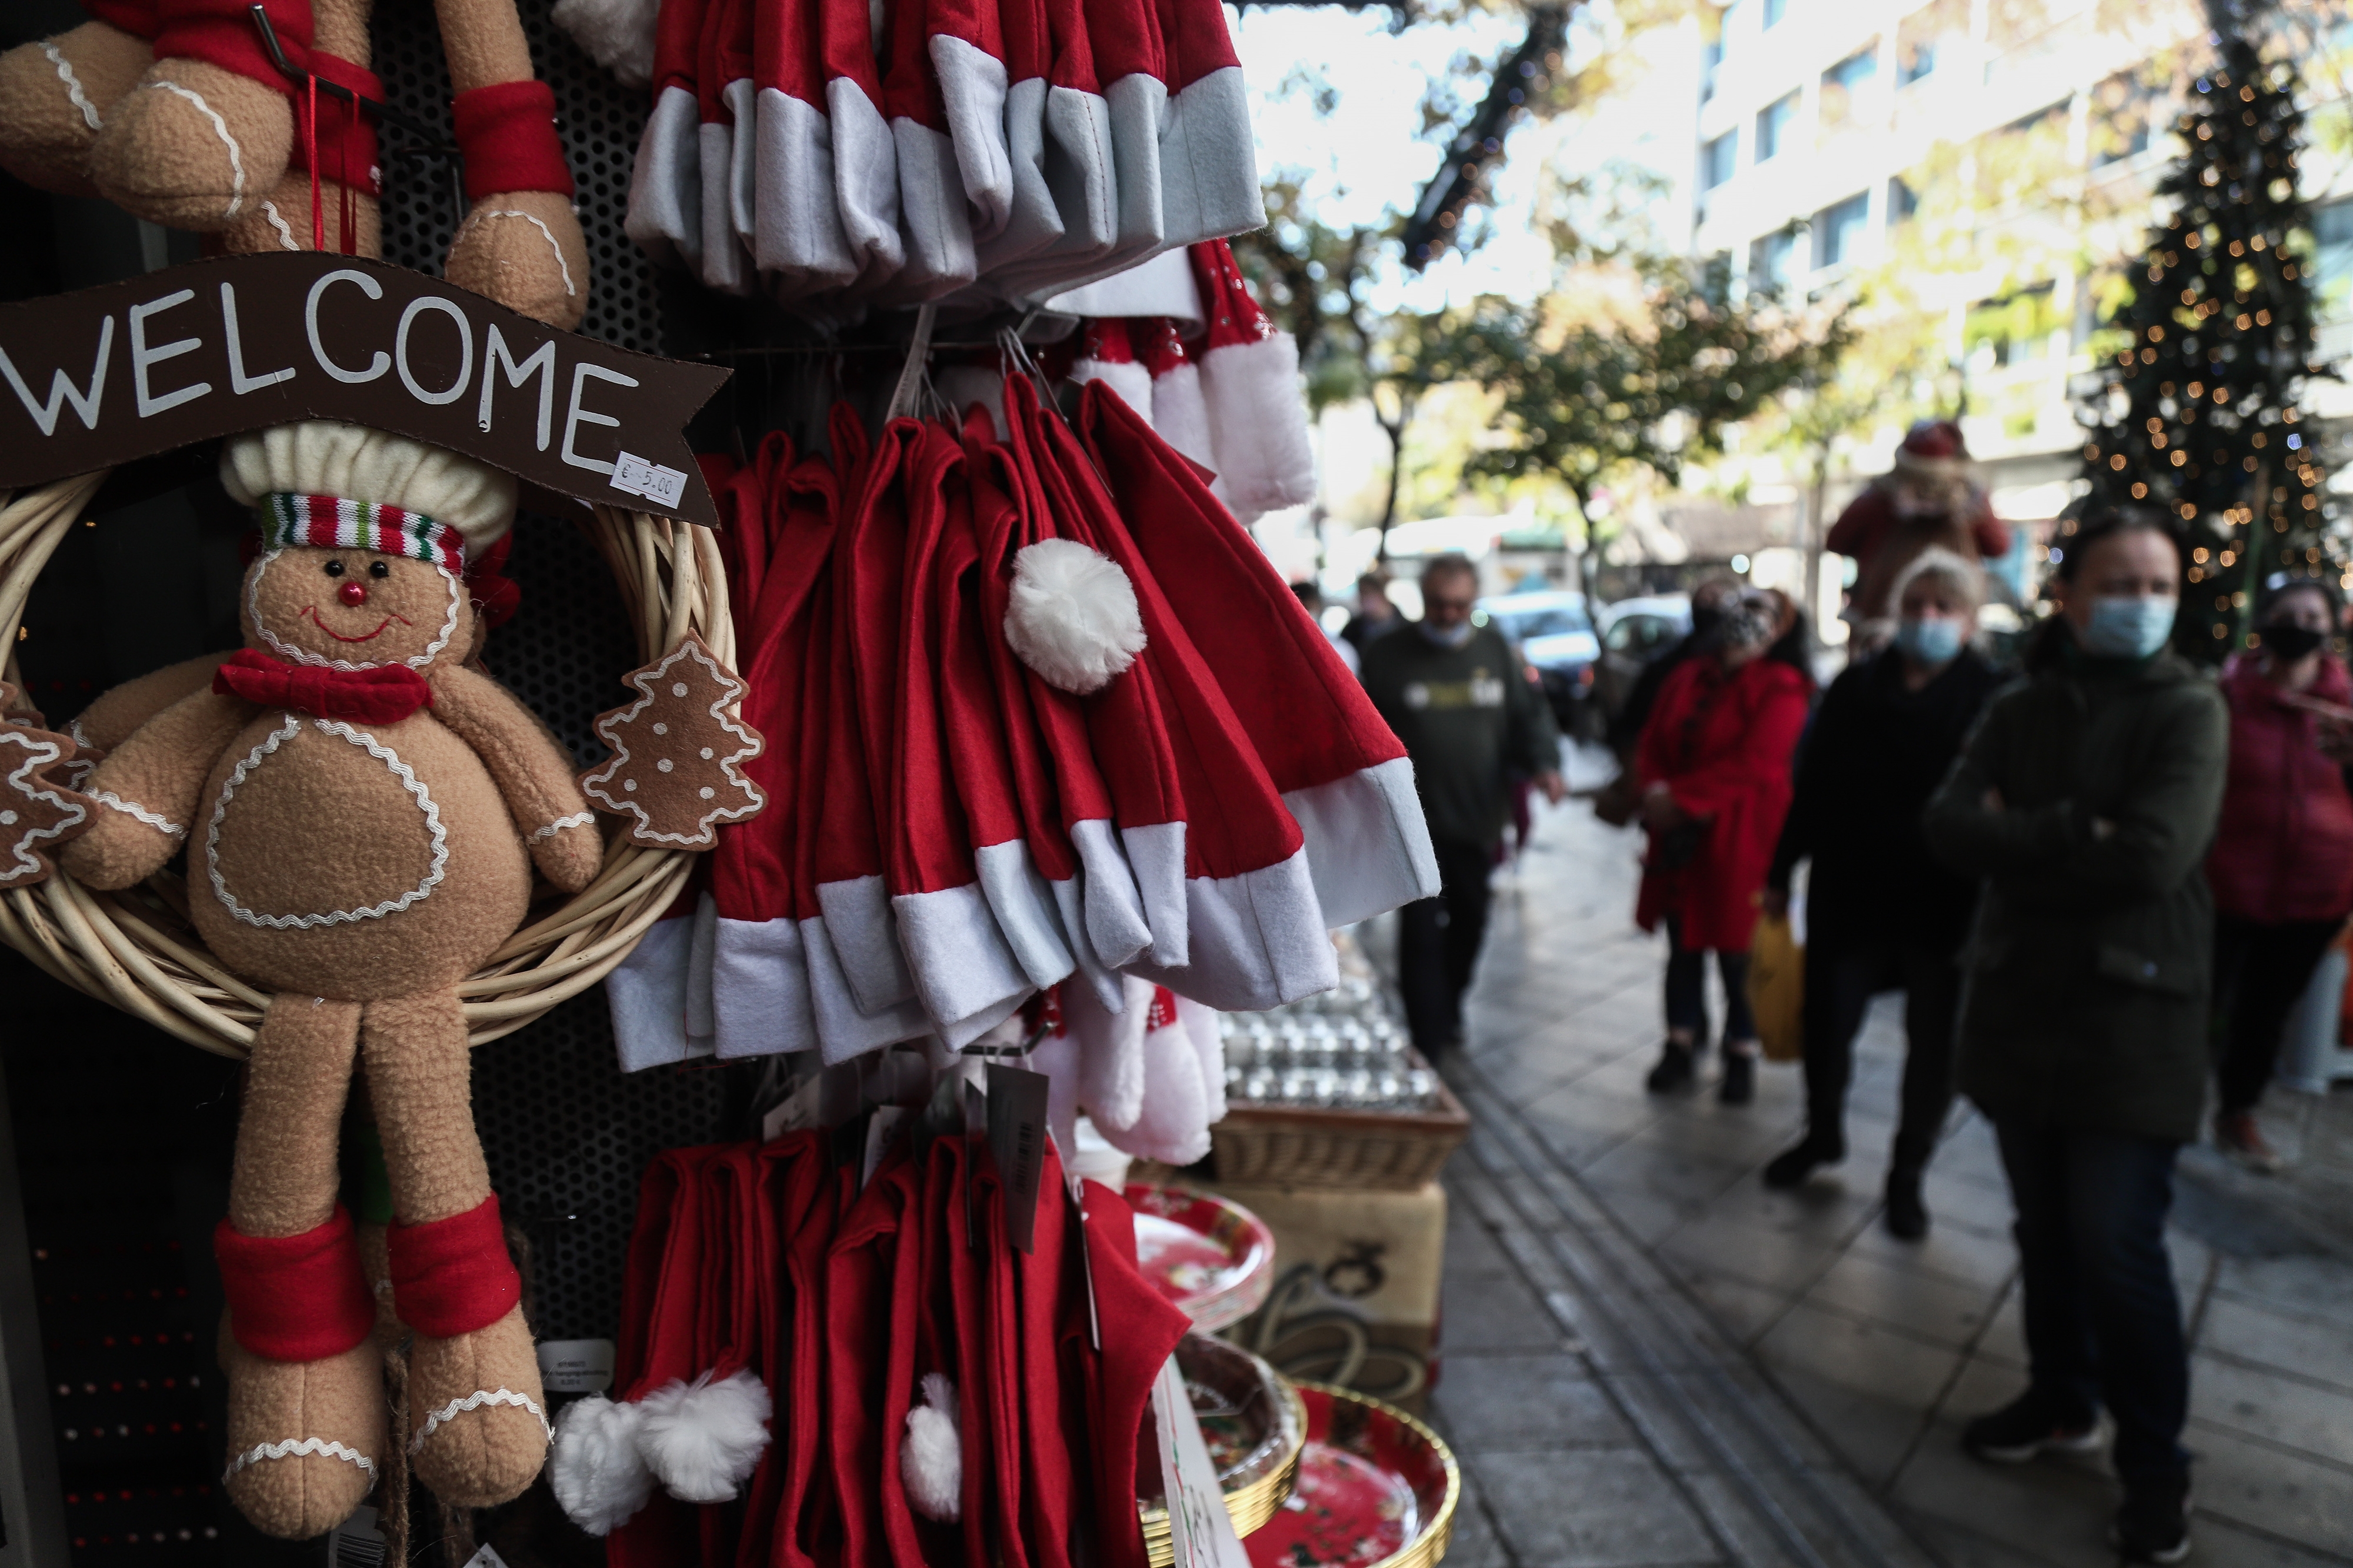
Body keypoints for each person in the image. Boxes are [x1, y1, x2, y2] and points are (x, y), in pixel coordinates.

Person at [1922, 506, 2223, 1564]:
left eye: (2158, 584)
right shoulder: (2023, 703)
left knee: (2115, 1240)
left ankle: (2155, 1464)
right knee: (2042, 1231)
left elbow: (2153, 854)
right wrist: (2069, 829)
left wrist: (2027, 835)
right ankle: (2062, 1399)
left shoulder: (2191, 709)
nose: (2140, 603)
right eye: (2118, 583)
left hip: (2133, 1022)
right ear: (2068, 593)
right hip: (2019, 1010)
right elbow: (1950, 825)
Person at [1761, 549, 2005, 1237]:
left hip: (1943, 901)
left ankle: (1907, 1174)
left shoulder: (1991, 694)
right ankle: (1822, 1134)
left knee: (1933, 1049)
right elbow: (1811, 789)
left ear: (1968, 619)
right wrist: (1781, 872)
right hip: (1850, 890)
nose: (1927, 618)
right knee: (1826, 1025)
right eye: (1916, 604)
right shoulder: (1855, 688)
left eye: (1943, 607)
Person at [1361, 554, 1566, 1055]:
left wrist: (1546, 764)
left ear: (1473, 602)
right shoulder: (1388, 655)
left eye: (1459, 605)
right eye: (1438, 604)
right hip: (1413, 827)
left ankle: (1449, 1007)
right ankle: (1428, 1035)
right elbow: (1360, 731)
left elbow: (1528, 717)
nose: (1449, 614)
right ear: (1423, 600)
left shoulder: (1496, 651)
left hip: (1478, 820)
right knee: (1421, 936)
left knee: (1472, 924)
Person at [1635, 588, 1814, 1104]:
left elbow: (1758, 762)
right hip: (1679, 839)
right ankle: (1681, 1041)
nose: (1750, 619)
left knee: (1738, 955)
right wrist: (1655, 790)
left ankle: (1741, 1051)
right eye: (1747, 607)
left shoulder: (1783, 687)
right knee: (1682, 946)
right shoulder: (1688, 675)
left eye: (1766, 614)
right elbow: (1653, 740)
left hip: (1741, 839)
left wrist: (1681, 798)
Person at [2204, 578, 2353, 1172]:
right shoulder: (2227, 695)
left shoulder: (2346, 706)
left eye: (2311, 614)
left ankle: (2237, 1112)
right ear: (2263, 622)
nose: (2299, 624)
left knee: (2264, 1015)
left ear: (2331, 625)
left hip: (2315, 891)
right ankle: (2162, 1109)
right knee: (2198, 999)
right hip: (2226, 883)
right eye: (2286, 614)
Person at [1827, 419, 2012, 642]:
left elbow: (2000, 546)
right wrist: (1887, 506)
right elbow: (1836, 541)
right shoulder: (1880, 499)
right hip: (1881, 622)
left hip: (1952, 625)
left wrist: (1973, 514)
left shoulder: (1970, 501)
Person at [1292, 579, 1361, 676]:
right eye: (1303, 608)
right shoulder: (1341, 648)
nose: (1307, 614)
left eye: (1309, 608)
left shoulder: (1341, 649)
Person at [1341, 569, 1401, 659]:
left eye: (1366, 593)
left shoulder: (1403, 627)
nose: (1362, 599)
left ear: (1382, 594)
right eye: (1361, 593)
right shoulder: (1351, 630)